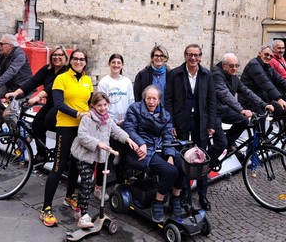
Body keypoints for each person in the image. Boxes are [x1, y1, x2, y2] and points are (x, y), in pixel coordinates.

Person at [164, 44, 226, 211]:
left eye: (196, 55)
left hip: (201, 122)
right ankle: (183, 195)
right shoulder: (175, 74)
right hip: (181, 121)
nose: (193, 58)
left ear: (200, 57)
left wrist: (211, 123)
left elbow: (212, 101)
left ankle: (202, 195)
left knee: (201, 160)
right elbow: (168, 100)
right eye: (190, 55)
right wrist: (171, 124)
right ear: (185, 56)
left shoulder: (206, 74)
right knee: (184, 159)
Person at [39, 49, 93, 227]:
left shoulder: (87, 80)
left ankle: (70, 197)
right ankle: (45, 208)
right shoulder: (61, 78)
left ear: (85, 62)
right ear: (71, 61)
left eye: (82, 59)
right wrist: (78, 114)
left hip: (82, 128)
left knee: (76, 164)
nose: (78, 62)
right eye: (75, 59)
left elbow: (89, 103)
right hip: (65, 126)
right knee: (58, 165)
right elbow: (59, 104)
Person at [71, 92, 138, 228]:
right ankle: (83, 216)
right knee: (87, 182)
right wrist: (97, 143)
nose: (102, 108)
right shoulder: (88, 118)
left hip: (95, 156)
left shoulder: (107, 119)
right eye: (99, 105)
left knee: (87, 182)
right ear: (93, 106)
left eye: (105, 105)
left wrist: (128, 139)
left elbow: (116, 131)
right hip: (83, 155)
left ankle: (78, 210)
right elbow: (82, 135)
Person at [123, 85, 185, 223]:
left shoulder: (165, 114)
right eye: (148, 98)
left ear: (159, 100)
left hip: (161, 147)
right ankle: (158, 201)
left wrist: (170, 155)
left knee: (182, 165)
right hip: (142, 150)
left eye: (154, 98)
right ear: (144, 98)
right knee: (170, 171)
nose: (151, 101)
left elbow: (168, 136)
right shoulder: (135, 109)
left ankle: (175, 198)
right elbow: (129, 129)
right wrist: (142, 143)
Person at [5, 45, 69, 164]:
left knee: (53, 124)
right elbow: (32, 82)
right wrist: (16, 93)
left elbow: (52, 87)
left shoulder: (66, 72)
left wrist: (38, 97)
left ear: (65, 57)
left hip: (64, 105)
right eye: (54, 55)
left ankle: (63, 154)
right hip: (50, 103)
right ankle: (42, 154)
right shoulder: (47, 70)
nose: (57, 57)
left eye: (60, 55)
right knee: (37, 125)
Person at [212, 53, 274, 152]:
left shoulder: (233, 77)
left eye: (237, 66)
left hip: (224, 109)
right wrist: (241, 110)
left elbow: (246, 91)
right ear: (224, 66)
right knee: (220, 143)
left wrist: (264, 104)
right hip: (212, 112)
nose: (235, 68)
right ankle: (208, 164)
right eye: (231, 66)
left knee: (244, 120)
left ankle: (228, 144)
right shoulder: (216, 75)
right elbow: (225, 94)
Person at [95, 53, 134, 201]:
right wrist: (109, 119)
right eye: (113, 62)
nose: (116, 65)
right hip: (107, 123)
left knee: (122, 156)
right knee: (105, 156)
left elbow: (131, 101)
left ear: (122, 65)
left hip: (123, 123)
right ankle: (98, 187)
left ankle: (119, 183)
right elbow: (100, 103)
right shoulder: (104, 82)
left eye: (119, 63)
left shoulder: (127, 82)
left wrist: (127, 119)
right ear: (109, 64)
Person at [240, 45, 286, 115]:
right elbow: (265, 83)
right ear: (260, 53)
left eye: (271, 56)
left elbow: (280, 80)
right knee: (263, 120)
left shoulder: (267, 66)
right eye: (266, 54)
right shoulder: (254, 64)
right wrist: (278, 99)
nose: (268, 57)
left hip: (262, 99)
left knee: (282, 110)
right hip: (250, 100)